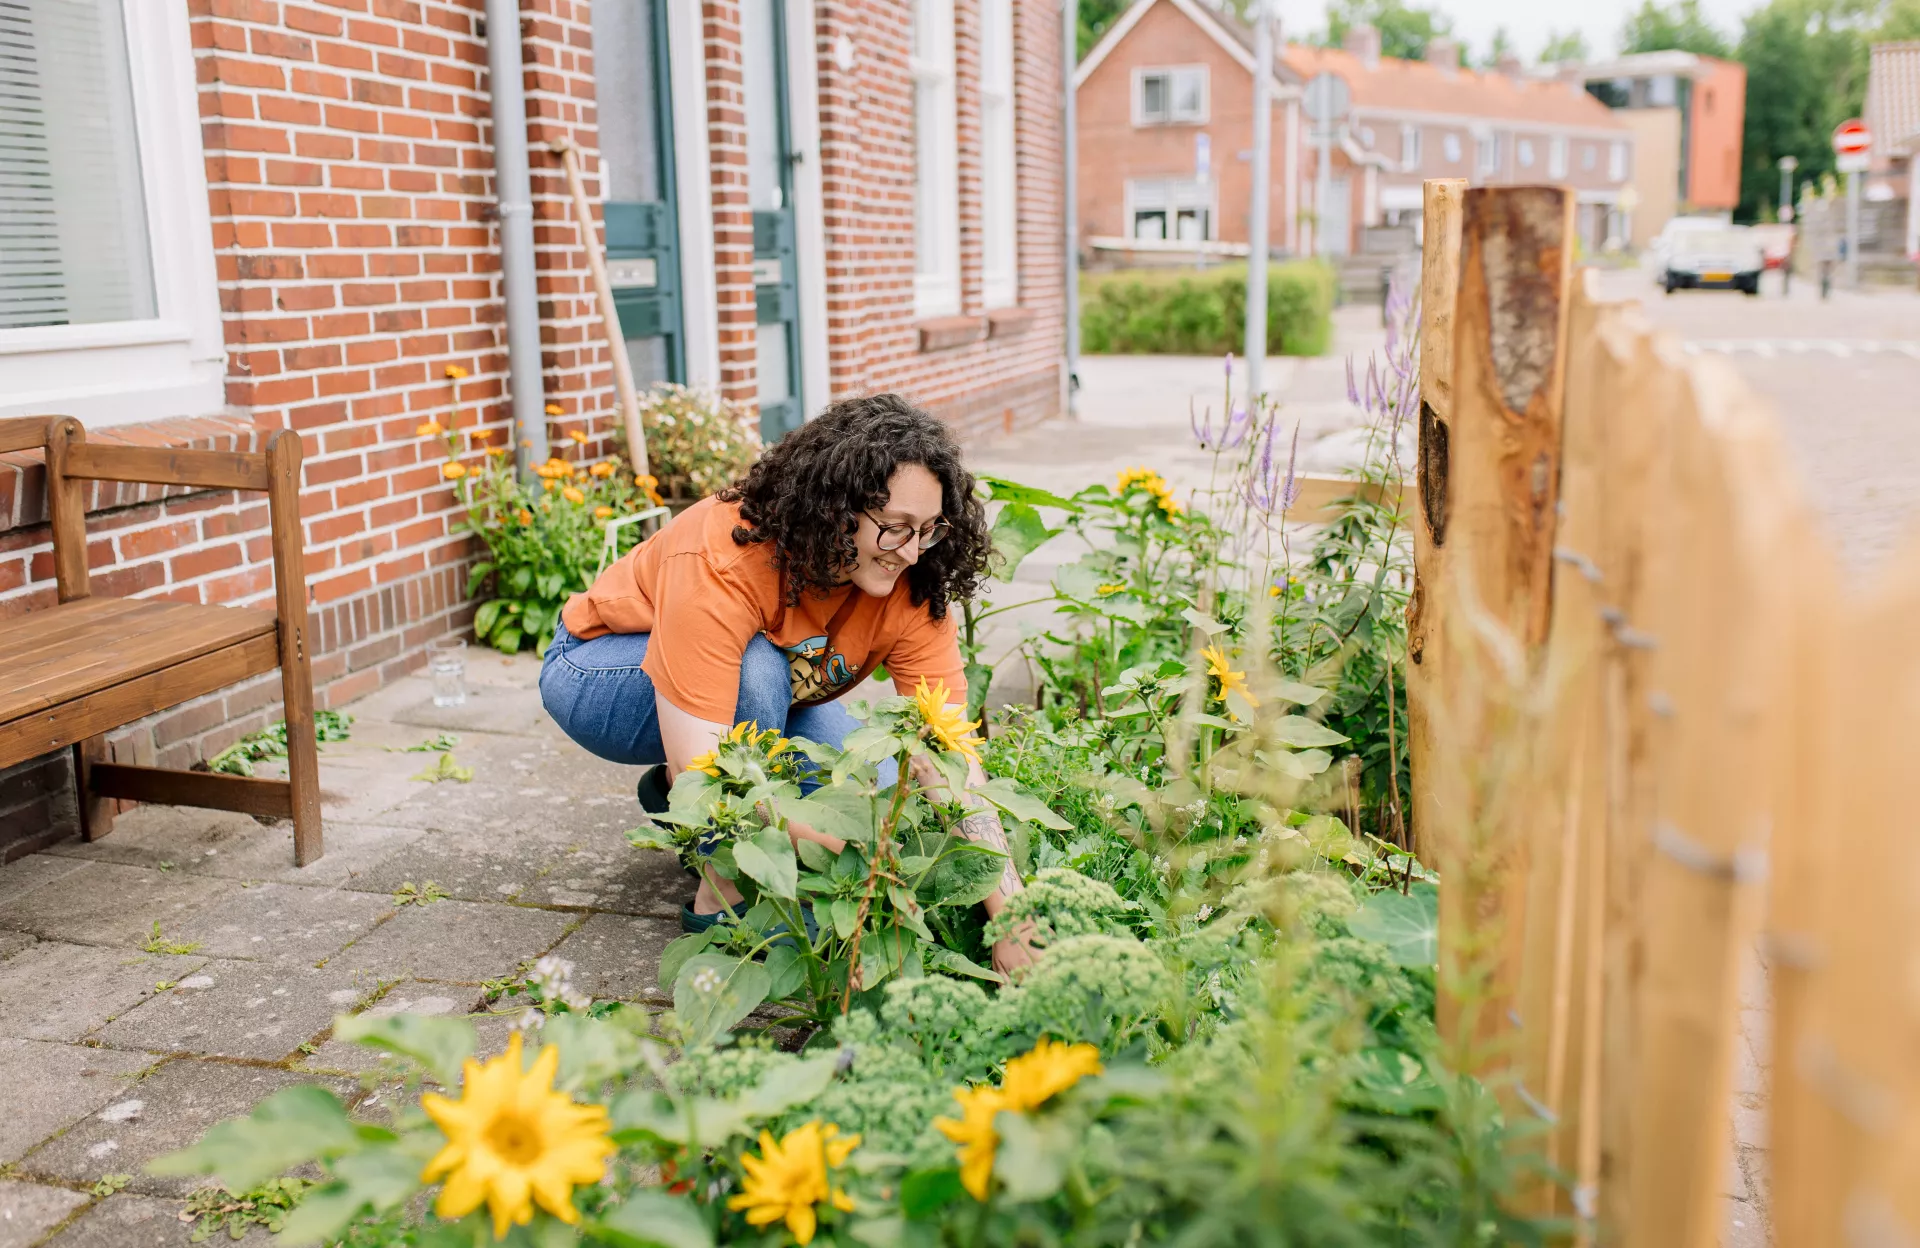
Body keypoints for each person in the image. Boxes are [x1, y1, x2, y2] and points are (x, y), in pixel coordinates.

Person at [539, 393, 1035, 975]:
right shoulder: (724, 559)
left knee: (878, 789)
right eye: (894, 528)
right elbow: (709, 773)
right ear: (833, 506)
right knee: (760, 673)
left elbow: (952, 755)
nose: (909, 552)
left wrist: (1012, 919)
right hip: (598, 673)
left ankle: (673, 798)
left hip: (766, 699)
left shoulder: (913, 584)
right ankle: (720, 895)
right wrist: (852, 853)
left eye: (927, 530)